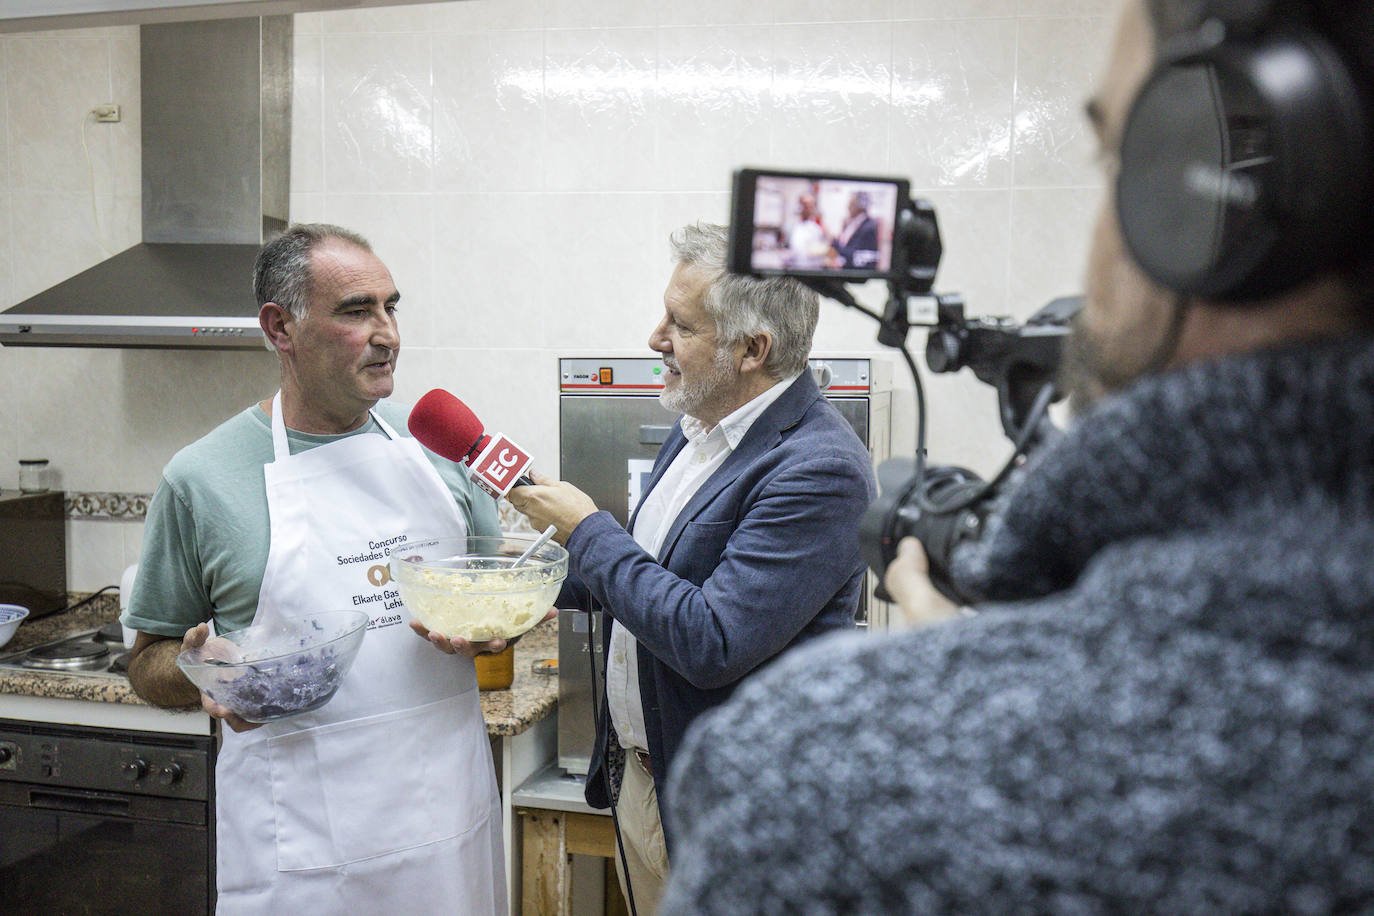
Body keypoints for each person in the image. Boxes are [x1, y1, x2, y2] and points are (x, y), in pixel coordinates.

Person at [660, 0, 1374, 912]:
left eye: (1115, 159)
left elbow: (714, 635)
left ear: (1217, 204)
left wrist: (957, 709)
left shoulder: (819, 790)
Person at [122, 223, 510, 915]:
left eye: (392, 307)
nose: (387, 332)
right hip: (298, 852)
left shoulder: (442, 456)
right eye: (357, 311)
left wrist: (496, 632)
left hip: (445, 830)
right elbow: (148, 662)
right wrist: (200, 672)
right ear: (281, 328)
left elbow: (494, 608)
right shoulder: (202, 479)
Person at [506, 221, 876, 912]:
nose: (655, 339)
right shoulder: (701, 426)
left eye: (680, 325)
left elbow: (711, 640)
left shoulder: (820, 468)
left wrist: (587, 529)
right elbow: (653, 578)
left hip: (735, 815)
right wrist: (518, 593)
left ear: (751, 350)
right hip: (644, 781)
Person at [829, 190, 880, 269]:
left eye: (851, 204)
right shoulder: (853, 223)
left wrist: (835, 243)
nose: (848, 207)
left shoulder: (868, 227)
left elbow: (854, 255)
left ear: (859, 207)